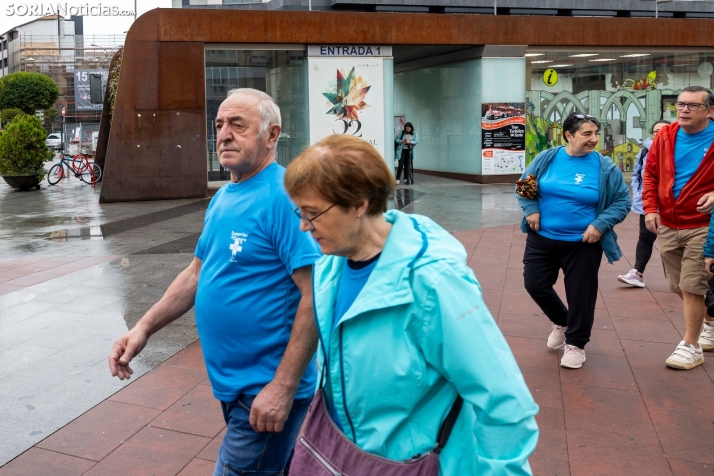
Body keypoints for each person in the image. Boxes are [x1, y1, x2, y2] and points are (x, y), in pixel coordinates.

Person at [284, 134, 539, 475]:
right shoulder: (330, 266)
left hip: (414, 465)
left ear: (360, 204)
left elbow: (504, 400)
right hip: (342, 456)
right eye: (300, 212)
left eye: (313, 213)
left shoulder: (433, 283)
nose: (303, 226)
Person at [108, 88, 322, 475]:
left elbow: (316, 295)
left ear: (271, 135)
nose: (223, 134)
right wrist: (143, 328)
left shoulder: (284, 196)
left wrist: (282, 387)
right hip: (235, 387)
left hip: (264, 388)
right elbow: (195, 274)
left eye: (238, 125)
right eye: (220, 124)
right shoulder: (225, 196)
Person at [516, 112, 630, 369]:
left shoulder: (604, 167)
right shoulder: (548, 158)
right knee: (534, 285)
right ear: (568, 135)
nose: (594, 139)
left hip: (583, 243)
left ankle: (576, 344)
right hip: (542, 239)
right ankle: (562, 320)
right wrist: (531, 209)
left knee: (581, 295)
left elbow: (623, 201)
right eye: (587, 134)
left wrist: (599, 225)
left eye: (596, 134)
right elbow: (525, 185)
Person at [642, 85, 714, 370]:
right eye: (680, 104)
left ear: (710, 111)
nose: (683, 110)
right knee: (676, 285)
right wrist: (649, 208)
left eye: (692, 106)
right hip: (669, 222)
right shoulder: (666, 136)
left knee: (692, 285)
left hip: (703, 223)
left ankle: (691, 344)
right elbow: (650, 173)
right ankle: (708, 321)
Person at [617, 120, 670, 288]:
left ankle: (675, 277)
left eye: (664, 130)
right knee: (646, 237)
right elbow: (637, 175)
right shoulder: (645, 150)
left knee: (671, 242)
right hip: (649, 204)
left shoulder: (678, 149)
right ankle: (637, 273)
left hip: (671, 205)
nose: (659, 133)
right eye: (656, 131)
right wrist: (640, 196)